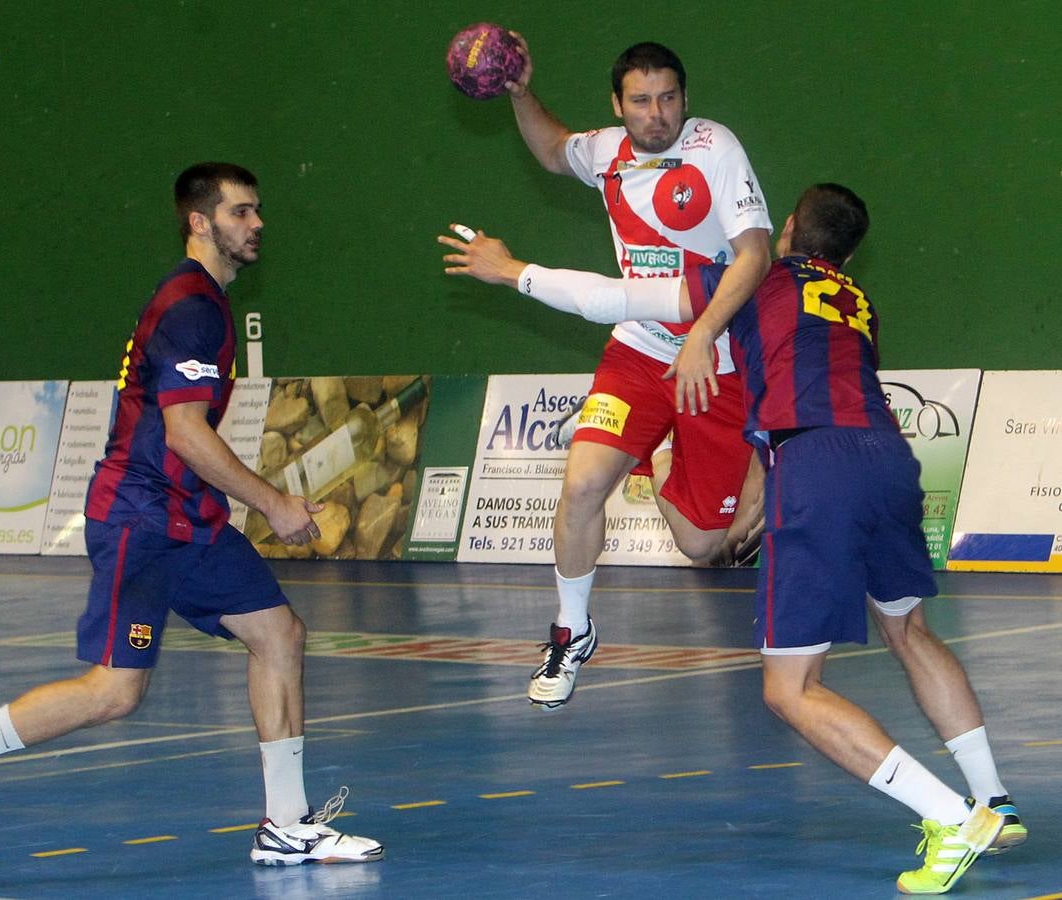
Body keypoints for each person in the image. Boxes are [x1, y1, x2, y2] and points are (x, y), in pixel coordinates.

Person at [437, 182, 1026, 893]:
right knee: (911, 632)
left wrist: (512, 271)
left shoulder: (758, 278)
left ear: (784, 232)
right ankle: (995, 797)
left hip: (818, 466)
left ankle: (954, 818)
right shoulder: (857, 302)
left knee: (790, 690)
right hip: (891, 460)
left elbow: (611, 299)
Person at [0, 163, 383, 869]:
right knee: (116, 691)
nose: (257, 224)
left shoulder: (204, 302)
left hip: (189, 515)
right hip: (142, 517)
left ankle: (285, 826)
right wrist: (272, 502)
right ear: (200, 222)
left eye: (257, 211)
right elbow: (185, 432)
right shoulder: (190, 307)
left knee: (279, 635)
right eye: (242, 213)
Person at [499, 36, 772, 709]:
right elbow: (550, 148)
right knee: (584, 484)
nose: (658, 113)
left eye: (669, 98)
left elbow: (755, 254)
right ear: (618, 106)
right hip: (638, 352)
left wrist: (703, 335)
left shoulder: (714, 147)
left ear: (685, 98)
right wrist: (517, 91)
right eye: (642, 101)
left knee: (706, 544)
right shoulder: (604, 153)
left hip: (718, 360)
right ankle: (571, 630)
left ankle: (687, 450)